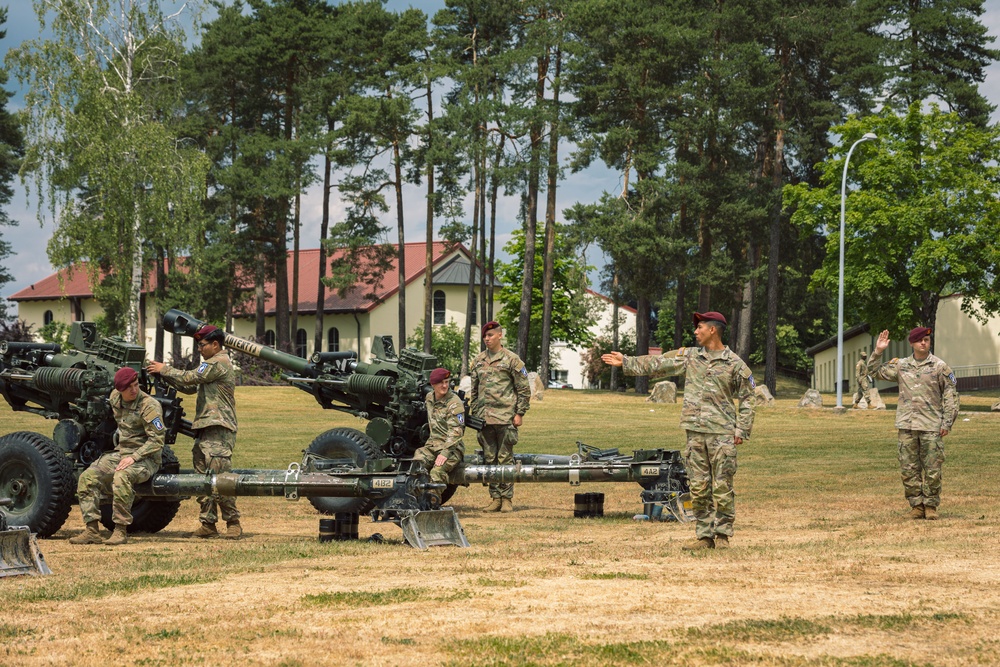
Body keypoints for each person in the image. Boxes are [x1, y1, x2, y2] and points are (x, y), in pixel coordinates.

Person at [602, 311, 755, 550]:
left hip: (722, 433)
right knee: (698, 486)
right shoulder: (691, 357)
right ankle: (704, 537)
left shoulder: (734, 363)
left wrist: (741, 429)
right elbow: (660, 362)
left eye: (700, 327)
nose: (696, 331)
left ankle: (723, 534)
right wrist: (627, 361)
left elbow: (748, 398)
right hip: (694, 432)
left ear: (712, 330)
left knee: (722, 486)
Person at [146, 324, 242, 539]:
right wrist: (163, 375)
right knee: (202, 479)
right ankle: (208, 524)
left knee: (220, 477)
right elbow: (189, 386)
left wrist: (165, 369)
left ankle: (233, 523)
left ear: (215, 344)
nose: (200, 348)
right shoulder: (209, 365)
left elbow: (190, 378)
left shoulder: (218, 363)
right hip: (204, 428)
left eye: (203, 344)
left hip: (219, 427)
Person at [867, 327, 959, 520]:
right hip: (907, 425)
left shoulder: (939, 367)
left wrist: (947, 422)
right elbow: (873, 372)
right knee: (909, 468)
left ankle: (931, 506)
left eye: (926, 340)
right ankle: (916, 506)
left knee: (933, 469)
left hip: (931, 425)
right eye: (919, 340)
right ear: (912, 343)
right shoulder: (901, 365)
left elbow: (951, 396)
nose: (923, 343)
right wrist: (878, 351)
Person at [69, 367, 164, 546]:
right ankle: (91, 530)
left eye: (136, 385)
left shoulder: (149, 406)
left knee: (122, 476)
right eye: (129, 388)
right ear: (120, 390)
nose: (134, 390)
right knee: (87, 477)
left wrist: (134, 457)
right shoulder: (114, 397)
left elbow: (157, 440)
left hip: (146, 458)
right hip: (122, 452)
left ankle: (120, 530)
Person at [470, 321, 531, 513]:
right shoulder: (478, 360)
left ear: (499, 336)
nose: (486, 339)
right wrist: (474, 412)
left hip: (505, 417)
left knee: (505, 459)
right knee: (489, 459)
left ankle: (507, 499)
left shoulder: (512, 360)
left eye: (490, 336)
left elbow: (523, 388)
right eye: (484, 337)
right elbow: (474, 390)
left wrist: (520, 413)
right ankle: (495, 498)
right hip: (484, 419)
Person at [412, 367, 466, 508]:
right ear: (433, 385)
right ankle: (414, 500)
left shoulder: (454, 403)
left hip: (452, 448)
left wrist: (445, 453)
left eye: (447, 382)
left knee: (437, 471)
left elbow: (456, 432)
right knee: (417, 464)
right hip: (432, 445)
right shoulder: (430, 398)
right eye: (441, 383)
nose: (445, 386)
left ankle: (432, 503)